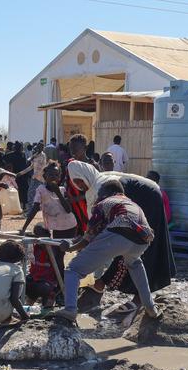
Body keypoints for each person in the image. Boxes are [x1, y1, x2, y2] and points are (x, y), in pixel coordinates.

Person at [55, 178, 163, 324]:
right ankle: (151, 308)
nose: (98, 197)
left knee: (73, 270)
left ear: (108, 192)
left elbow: (88, 239)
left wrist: (69, 248)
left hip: (118, 235)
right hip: (142, 241)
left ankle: (70, 310)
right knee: (134, 264)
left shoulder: (103, 203)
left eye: (100, 193)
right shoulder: (131, 203)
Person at [19, 162, 78, 237]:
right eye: (50, 174)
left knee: (65, 247)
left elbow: (68, 210)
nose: (53, 177)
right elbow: (35, 209)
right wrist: (24, 228)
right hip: (56, 228)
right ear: (44, 176)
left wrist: (58, 193)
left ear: (59, 178)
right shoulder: (41, 190)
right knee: (41, 232)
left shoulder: (62, 190)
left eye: (56, 175)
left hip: (70, 226)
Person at [63, 134, 100, 232]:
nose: (73, 151)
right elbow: (67, 184)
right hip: (74, 208)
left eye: (76, 148)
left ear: (85, 148)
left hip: (89, 206)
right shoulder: (70, 164)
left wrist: (77, 198)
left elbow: (99, 189)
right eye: (71, 148)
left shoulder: (93, 166)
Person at [25, 225, 63, 307]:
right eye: (36, 234)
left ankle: (47, 307)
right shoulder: (36, 246)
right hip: (35, 278)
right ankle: (27, 308)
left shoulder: (53, 247)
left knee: (44, 290)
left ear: (48, 235)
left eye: (39, 234)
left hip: (48, 282)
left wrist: (60, 287)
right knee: (25, 284)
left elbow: (59, 267)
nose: (38, 237)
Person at [16, 140, 47, 208]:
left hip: (40, 178)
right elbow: (31, 167)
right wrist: (21, 173)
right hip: (34, 177)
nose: (39, 148)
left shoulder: (43, 156)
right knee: (30, 193)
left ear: (43, 148)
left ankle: (38, 208)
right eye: (38, 147)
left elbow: (43, 167)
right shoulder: (35, 155)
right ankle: (30, 209)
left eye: (41, 147)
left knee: (39, 194)